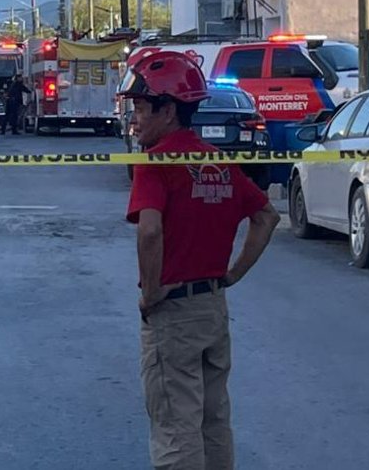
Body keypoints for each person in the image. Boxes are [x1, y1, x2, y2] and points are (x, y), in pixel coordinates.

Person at [120, 50, 281, 470]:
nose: (133, 120)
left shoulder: (154, 164)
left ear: (168, 110)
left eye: (139, 108)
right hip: (212, 306)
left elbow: (150, 230)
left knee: (175, 425)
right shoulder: (220, 163)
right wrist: (233, 274)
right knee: (213, 422)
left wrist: (151, 293)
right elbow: (266, 216)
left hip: (172, 311)